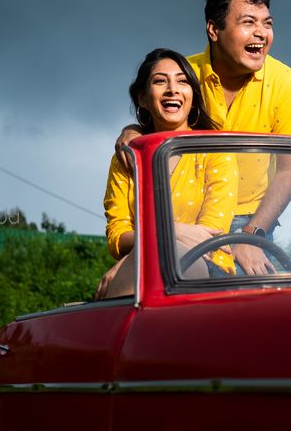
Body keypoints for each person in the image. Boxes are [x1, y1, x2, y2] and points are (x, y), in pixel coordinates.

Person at [115, 0, 291, 275]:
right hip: (186, 214)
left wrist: (250, 236)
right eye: (248, 22)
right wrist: (133, 132)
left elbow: (289, 172)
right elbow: (154, 119)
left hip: (250, 219)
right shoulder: (184, 75)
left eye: (267, 24)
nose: (261, 33)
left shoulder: (285, 82)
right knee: (152, 281)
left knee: (256, 298)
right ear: (214, 29)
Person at [96, 48, 237, 299]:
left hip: (209, 269)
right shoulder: (127, 158)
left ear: (192, 94)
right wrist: (172, 231)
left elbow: (208, 234)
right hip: (141, 269)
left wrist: (152, 240)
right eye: (160, 81)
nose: (173, 89)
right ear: (142, 98)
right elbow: (117, 236)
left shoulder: (215, 150)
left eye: (182, 82)